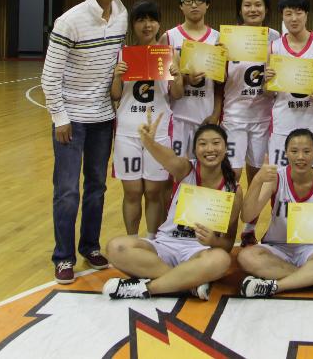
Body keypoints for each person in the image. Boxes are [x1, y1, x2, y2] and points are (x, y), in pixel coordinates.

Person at [41, 0, 127, 284]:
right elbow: (50, 76)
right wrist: (60, 117)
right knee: (66, 190)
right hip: (72, 120)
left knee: (96, 187)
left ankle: (89, 246)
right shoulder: (69, 21)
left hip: (103, 118)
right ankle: (63, 256)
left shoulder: (121, 15)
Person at [102, 121, 241, 301]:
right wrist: (149, 142)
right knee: (115, 247)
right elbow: (168, 157)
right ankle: (188, 283)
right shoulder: (186, 169)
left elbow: (228, 243)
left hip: (199, 253)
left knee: (221, 260)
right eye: (202, 144)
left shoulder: (233, 189)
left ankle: (147, 288)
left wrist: (213, 241)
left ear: (226, 147)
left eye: (216, 143)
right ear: (195, 149)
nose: (210, 149)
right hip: (165, 246)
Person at [238, 129, 313, 297]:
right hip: (278, 248)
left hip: (312, 250)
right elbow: (247, 216)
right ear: (286, 153)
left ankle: (276, 285)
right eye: (294, 151)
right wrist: (257, 180)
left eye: (306, 151)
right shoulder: (276, 179)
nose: (300, 157)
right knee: (246, 256)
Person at [110, 0, 184, 237]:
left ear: (159, 24)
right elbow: (115, 95)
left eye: (152, 20)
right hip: (128, 131)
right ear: (133, 25)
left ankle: (152, 240)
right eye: (141, 20)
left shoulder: (169, 54)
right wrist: (117, 76)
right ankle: (132, 240)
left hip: (158, 133)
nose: (147, 25)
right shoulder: (123, 54)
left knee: (154, 191)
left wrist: (176, 77)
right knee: (132, 191)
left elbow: (177, 95)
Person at [217, 0, 280, 246]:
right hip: (233, 118)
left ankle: (249, 229)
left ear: (266, 9)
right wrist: (218, 58)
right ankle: (224, 230)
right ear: (240, 9)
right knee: (230, 176)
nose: (253, 9)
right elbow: (218, 80)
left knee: (258, 177)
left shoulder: (275, 38)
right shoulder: (227, 38)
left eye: (258, 5)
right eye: (247, 5)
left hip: (263, 119)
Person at [265, 0, 313, 171]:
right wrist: (267, 82)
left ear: (306, 14)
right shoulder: (273, 48)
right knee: (279, 177)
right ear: (282, 16)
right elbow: (267, 92)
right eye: (288, 13)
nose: (294, 18)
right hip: (283, 123)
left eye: (299, 12)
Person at [163, 0, 221, 159]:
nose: (194, 5)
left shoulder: (218, 38)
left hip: (205, 117)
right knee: (176, 169)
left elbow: (222, 85)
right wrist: (187, 80)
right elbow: (161, 82)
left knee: (204, 169)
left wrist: (216, 114)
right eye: (188, 1)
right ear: (180, 6)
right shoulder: (169, 37)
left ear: (207, 4)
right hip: (176, 116)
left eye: (199, 0)